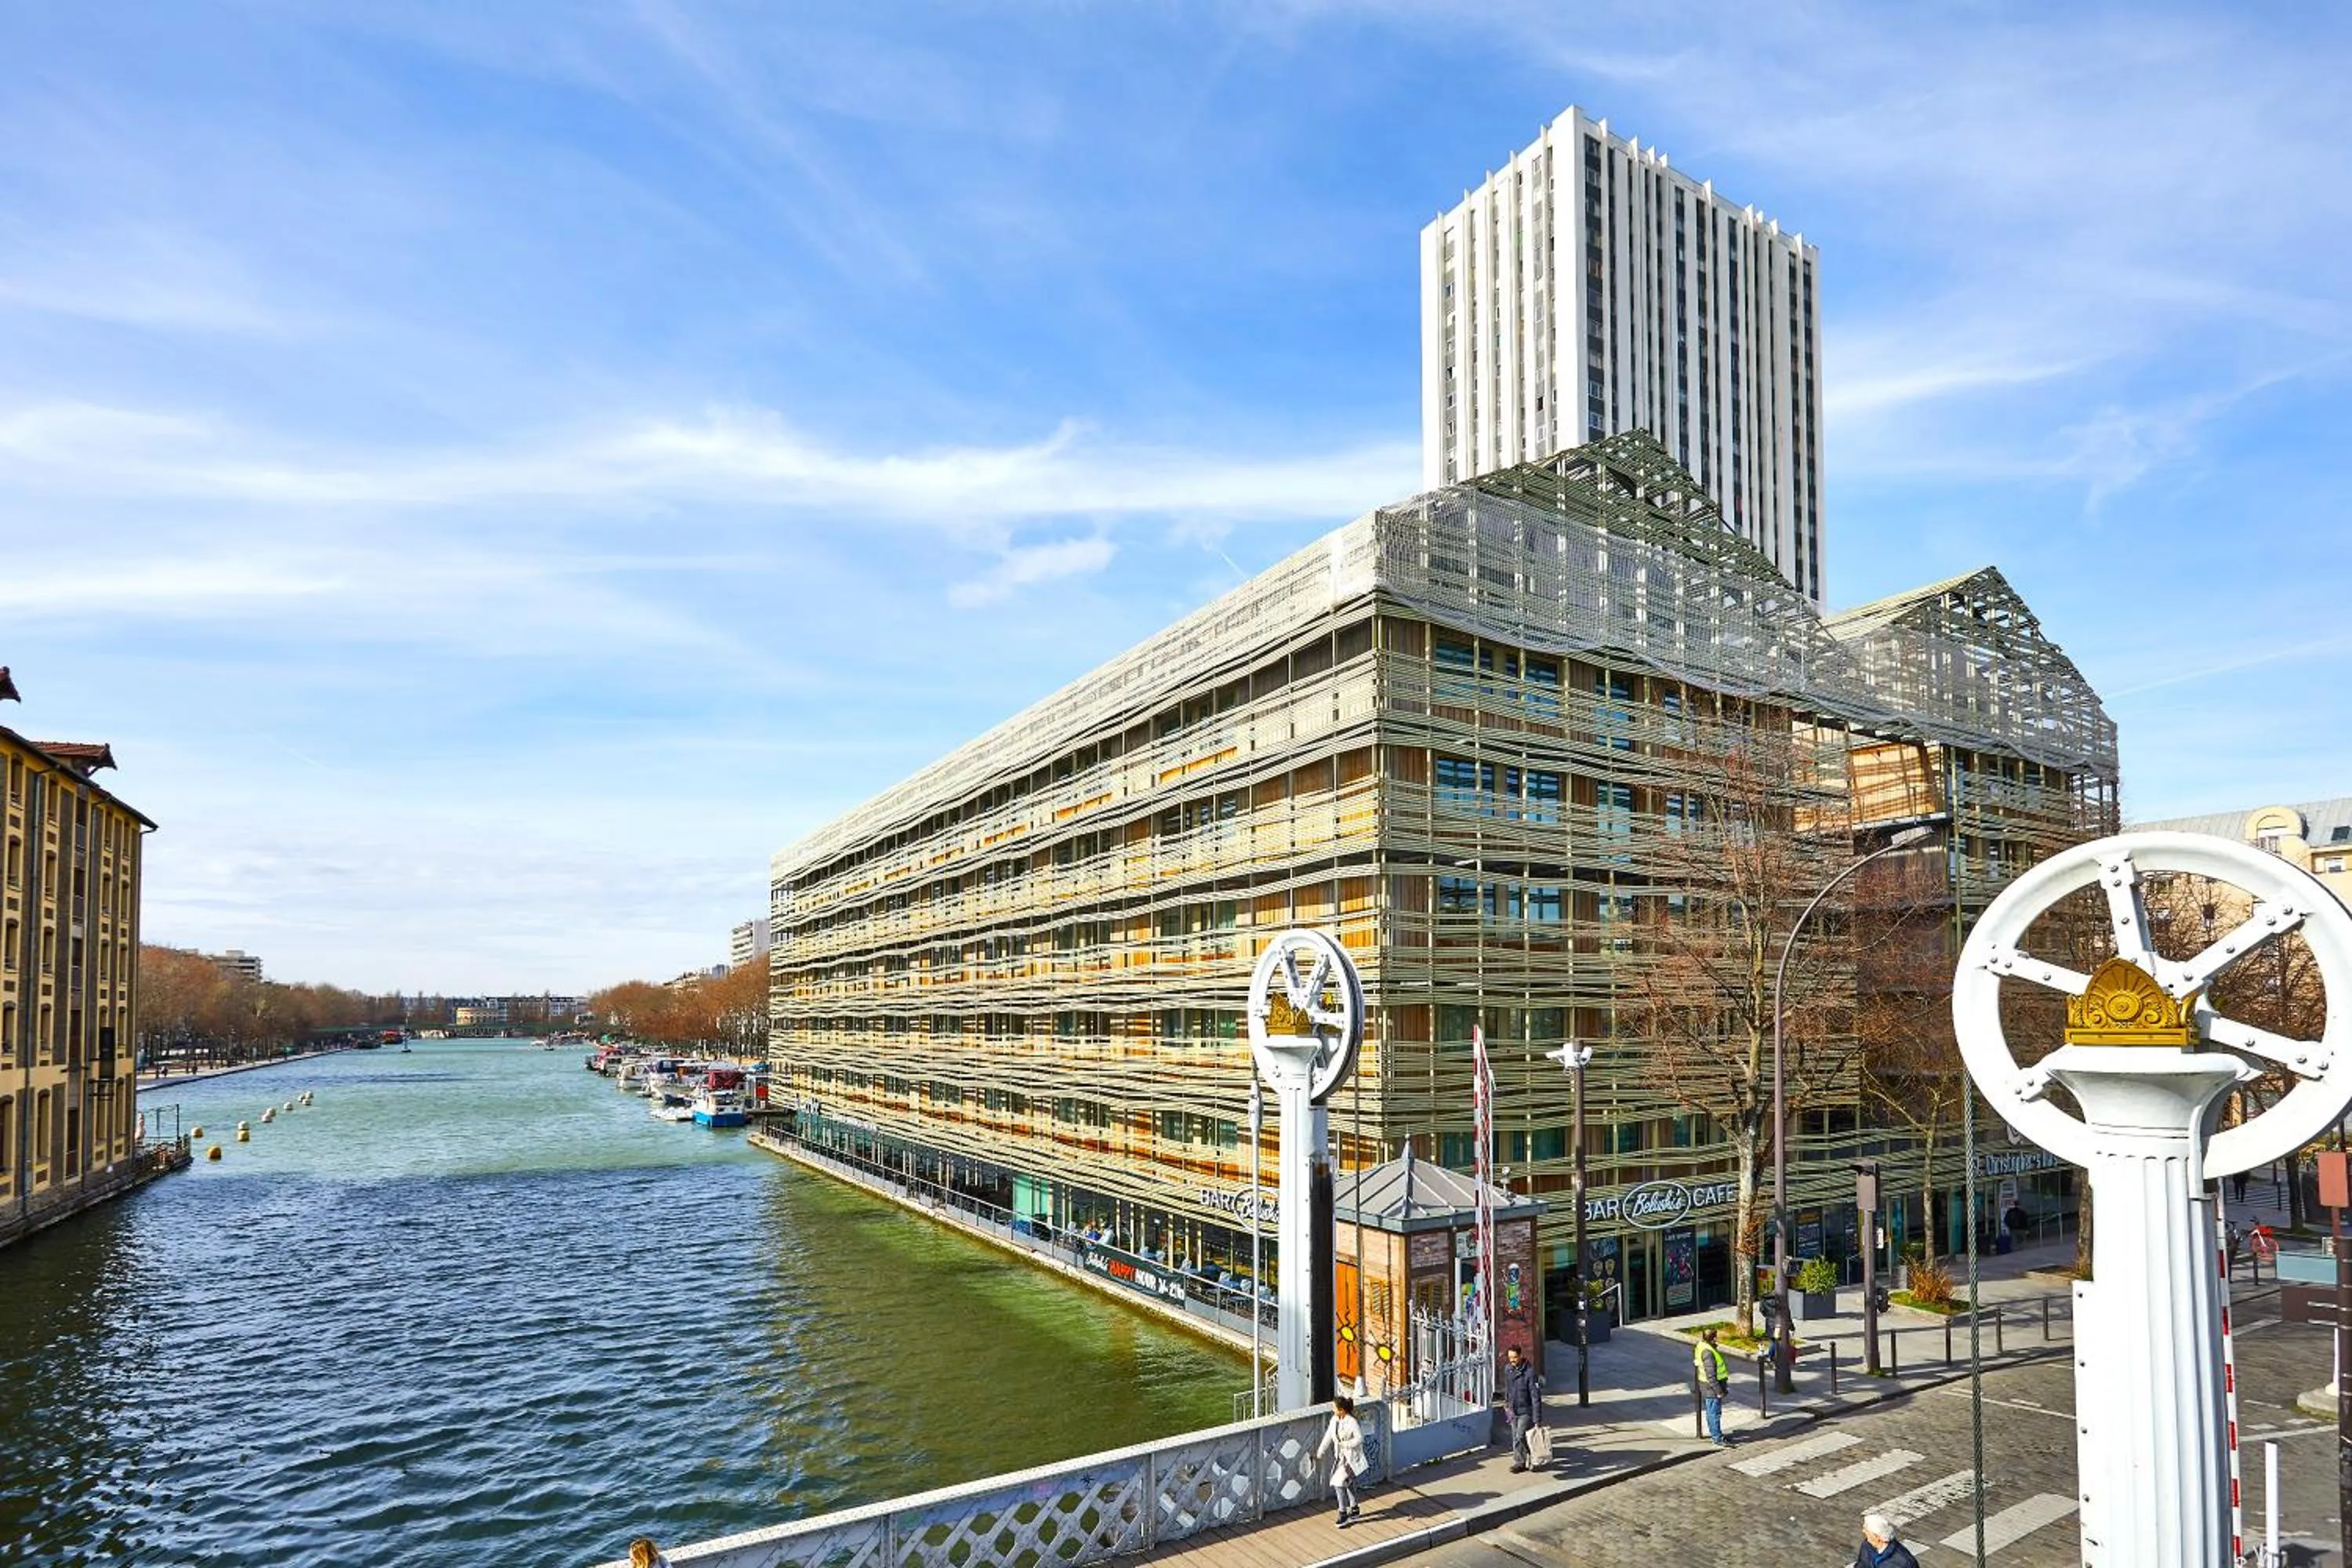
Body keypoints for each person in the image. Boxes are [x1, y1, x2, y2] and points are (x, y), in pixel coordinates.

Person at [1316, 1395, 1368, 1527]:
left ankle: (1343, 1513)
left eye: (1334, 1407)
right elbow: (1329, 1435)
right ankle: (1354, 1508)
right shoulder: (1334, 1420)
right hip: (1340, 1458)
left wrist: (1346, 1444)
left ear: (1342, 1410)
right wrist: (1321, 1451)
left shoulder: (1351, 1421)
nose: (1332, 1409)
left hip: (1351, 1458)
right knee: (1347, 1482)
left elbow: (1359, 1438)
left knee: (1338, 1482)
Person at [1502, 1344, 1545, 1472]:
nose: (1512, 1360)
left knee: (1520, 1435)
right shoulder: (1508, 1369)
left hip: (1526, 1410)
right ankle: (1519, 1462)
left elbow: (1535, 1396)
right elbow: (1508, 1389)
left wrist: (1537, 1420)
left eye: (1515, 1357)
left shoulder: (1529, 1373)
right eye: (1510, 1357)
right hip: (1512, 1409)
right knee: (1515, 1436)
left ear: (1521, 1356)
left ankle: (1533, 1455)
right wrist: (1506, 1405)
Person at [1693, 1327, 1730, 1447]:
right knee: (1714, 1413)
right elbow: (1711, 1376)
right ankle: (1717, 1437)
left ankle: (1716, 1434)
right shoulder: (1708, 1352)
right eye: (1716, 1337)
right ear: (1713, 1338)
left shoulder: (1703, 1346)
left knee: (1712, 1412)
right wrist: (1719, 1391)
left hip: (1707, 1386)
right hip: (1711, 1388)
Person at [1853, 1510, 1919, 1567]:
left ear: (1877, 1537)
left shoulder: (1904, 1562)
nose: (1863, 1531)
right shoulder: (1866, 1546)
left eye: (1866, 1530)